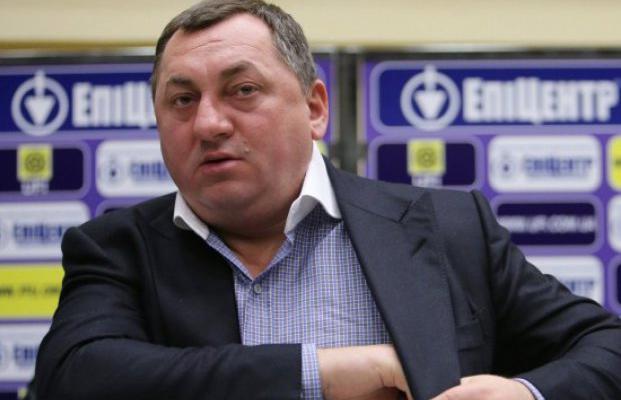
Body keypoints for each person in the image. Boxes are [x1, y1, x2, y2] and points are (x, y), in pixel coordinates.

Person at [35, 1, 621, 399]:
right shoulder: (117, 247)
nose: (209, 123)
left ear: (315, 108)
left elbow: (606, 348)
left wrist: (522, 392)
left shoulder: (447, 227)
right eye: (182, 100)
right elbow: (73, 378)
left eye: (242, 90)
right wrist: (331, 371)